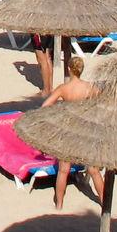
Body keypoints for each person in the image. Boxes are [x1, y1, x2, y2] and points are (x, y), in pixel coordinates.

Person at [41, 56, 97, 209]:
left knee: (63, 170)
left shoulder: (63, 89)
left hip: (69, 130)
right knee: (94, 170)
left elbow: (45, 105)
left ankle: (59, 204)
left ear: (69, 69)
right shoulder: (90, 87)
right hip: (85, 130)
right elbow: (103, 103)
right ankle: (103, 201)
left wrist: (59, 111)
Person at [19, 0, 56, 96]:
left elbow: (27, 5)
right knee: (48, 57)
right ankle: (49, 87)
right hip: (49, 27)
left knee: (42, 59)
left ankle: (46, 90)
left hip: (39, 28)